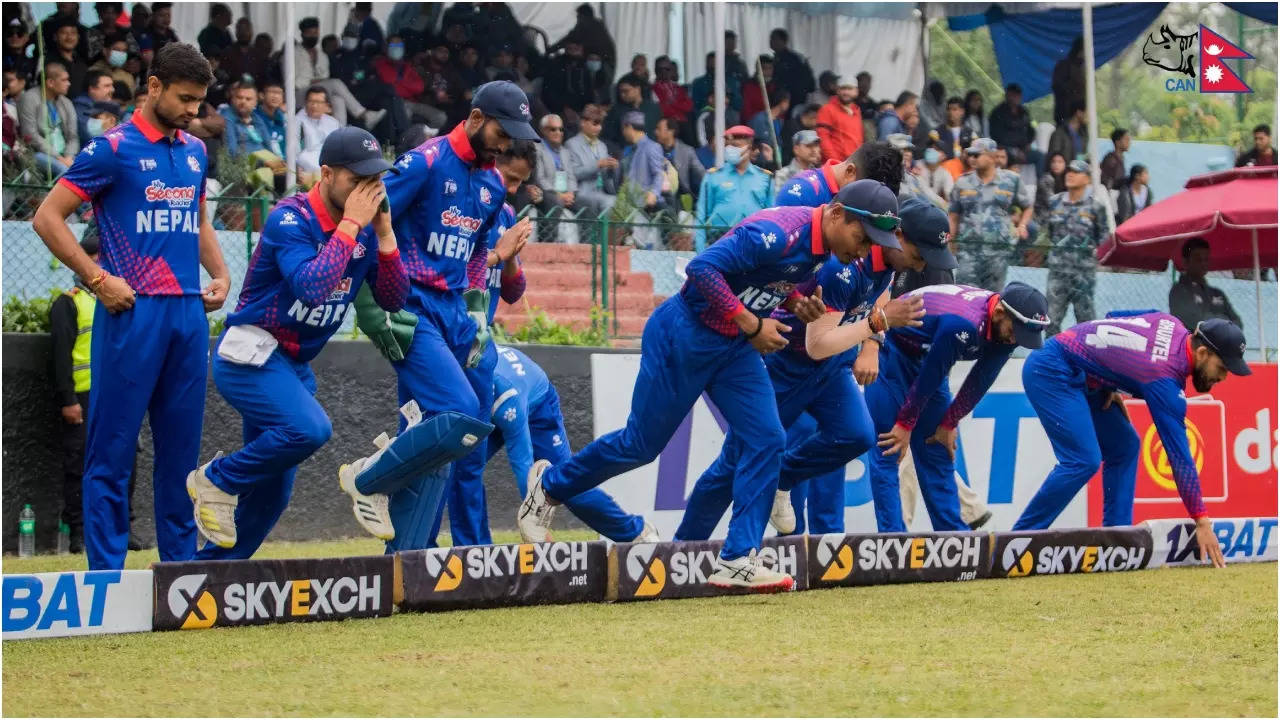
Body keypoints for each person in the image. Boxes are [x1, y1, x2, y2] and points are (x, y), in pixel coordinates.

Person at [519, 184, 893, 591]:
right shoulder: (777, 232)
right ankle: (550, 486)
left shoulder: (826, 250)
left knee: (768, 439)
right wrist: (751, 323)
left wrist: (798, 302)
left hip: (733, 349)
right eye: (862, 238)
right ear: (837, 214)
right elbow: (701, 270)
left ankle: (736, 558)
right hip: (686, 335)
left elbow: (769, 286)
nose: (864, 251)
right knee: (640, 446)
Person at [32, 42, 230, 570]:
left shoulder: (193, 150)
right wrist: (97, 279)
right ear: (154, 87)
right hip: (132, 314)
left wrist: (221, 273)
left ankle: (179, 572)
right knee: (111, 454)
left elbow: (199, 220)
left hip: (188, 318)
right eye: (186, 99)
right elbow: (48, 217)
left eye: (200, 101)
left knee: (180, 457)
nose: (194, 111)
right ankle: (107, 579)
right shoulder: (110, 149)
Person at [186, 128, 408, 557]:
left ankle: (210, 576)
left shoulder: (364, 229)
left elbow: (393, 299)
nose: (366, 192)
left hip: (292, 366)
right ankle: (216, 479)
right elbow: (312, 287)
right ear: (324, 174)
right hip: (249, 355)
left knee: (272, 495)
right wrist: (351, 226)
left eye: (373, 181)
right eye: (355, 180)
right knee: (309, 429)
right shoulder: (291, 218)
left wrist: (384, 236)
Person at [677, 193, 950, 541]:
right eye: (919, 255)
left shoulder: (886, 263)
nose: (922, 266)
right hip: (787, 365)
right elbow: (817, 345)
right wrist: (879, 323)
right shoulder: (843, 268)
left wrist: (871, 342)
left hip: (831, 368)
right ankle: (684, 548)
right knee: (733, 463)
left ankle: (783, 478)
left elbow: (869, 303)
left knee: (857, 435)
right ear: (897, 237)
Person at [351, 81, 538, 552]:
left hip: (456, 310)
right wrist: (371, 301)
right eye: (502, 130)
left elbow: (475, 252)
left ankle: (411, 555)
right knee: (453, 411)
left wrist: (476, 308)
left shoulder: (495, 184)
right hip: (412, 304)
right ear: (475, 118)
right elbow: (371, 219)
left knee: (458, 428)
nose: (506, 143)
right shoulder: (426, 162)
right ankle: (368, 479)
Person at [1012, 314, 1248, 570]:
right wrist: (1201, 521)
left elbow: (1113, 318)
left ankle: (1117, 544)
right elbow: (1179, 459)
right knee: (1083, 460)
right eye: (1223, 368)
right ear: (1202, 352)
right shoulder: (1164, 379)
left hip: (1087, 377)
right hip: (1052, 369)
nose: (1224, 377)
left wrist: (1110, 377)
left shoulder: (1171, 321)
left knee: (1124, 447)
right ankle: (1018, 541)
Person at [868, 282, 1049, 532]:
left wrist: (949, 422)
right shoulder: (963, 324)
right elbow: (932, 372)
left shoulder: (1008, 326)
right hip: (896, 354)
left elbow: (981, 378)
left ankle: (954, 541)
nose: (1015, 339)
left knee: (937, 447)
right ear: (998, 313)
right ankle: (891, 543)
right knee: (889, 447)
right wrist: (904, 423)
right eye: (1015, 332)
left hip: (931, 360)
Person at [435, 140, 536, 545]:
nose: (512, 188)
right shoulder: (461, 207)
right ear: (494, 164)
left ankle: (474, 548)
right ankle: (413, 544)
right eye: (510, 178)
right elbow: (446, 270)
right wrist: (497, 254)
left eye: (520, 183)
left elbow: (514, 292)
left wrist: (510, 256)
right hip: (444, 342)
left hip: (480, 346)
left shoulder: (505, 211)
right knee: (435, 449)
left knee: (470, 456)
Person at [487, 345, 658, 543]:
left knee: (567, 484)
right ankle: (473, 550)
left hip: (535, 404)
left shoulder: (507, 399)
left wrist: (536, 533)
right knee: (462, 469)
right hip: (497, 400)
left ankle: (636, 533)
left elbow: (523, 465)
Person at [49, 234, 147, 554]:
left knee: (126, 461)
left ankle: (123, 528)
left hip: (120, 393)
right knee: (79, 464)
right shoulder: (69, 302)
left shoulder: (124, 300)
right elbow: (60, 356)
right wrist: (68, 400)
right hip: (84, 397)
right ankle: (79, 533)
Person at [950, 138, 1033, 291]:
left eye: (977, 155)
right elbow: (954, 215)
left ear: (992, 156)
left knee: (992, 298)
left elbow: (1027, 206)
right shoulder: (962, 182)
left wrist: (1022, 225)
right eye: (970, 155)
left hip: (998, 252)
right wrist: (951, 242)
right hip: (968, 251)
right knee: (965, 294)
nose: (972, 159)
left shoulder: (1011, 180)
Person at [1044, 160, 1108, 336]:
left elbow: (1103, 238)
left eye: (1076, 172)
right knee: (1050, 319)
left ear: (1086, 179)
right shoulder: (1054, 202)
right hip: (1058, 271)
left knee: (1085, 321)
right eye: (1068, 171)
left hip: (1083, 274)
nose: (1069, 175)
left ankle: (1085, 359)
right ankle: (1053, 357)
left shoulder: (1096, 207)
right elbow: (1050, 232)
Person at [694, 125, 772, 251]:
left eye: (736, 146)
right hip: (719, 240)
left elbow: (771, 217)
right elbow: (701, 216)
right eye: (728, 146)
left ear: (749, 148)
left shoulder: (764, 178)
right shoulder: (712, 176)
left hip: (754, 241)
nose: (731, 150)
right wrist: (700, 251)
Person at [1168, 238, 1244, 331]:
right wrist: (1225, 320)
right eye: (1198, 259)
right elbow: (1199, 324)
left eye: (1206, 259)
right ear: (1185, 262)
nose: (1203, 263)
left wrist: (1213, 320)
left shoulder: (1217, 293)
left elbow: (1238, 323)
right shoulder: (1178, 292)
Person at [18, 63, 78, 179]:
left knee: (85, 169)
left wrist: (69, 157)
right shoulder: (30, 98)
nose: (68, 83)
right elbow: (31, 135)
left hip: (66, 156)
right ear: (50, 82)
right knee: (65, 172)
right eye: (64, 80)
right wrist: (59, 158)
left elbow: (73, 136)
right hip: (37, 153)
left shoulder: (66, 102)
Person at [564, 103, 617, 217]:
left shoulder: (602, 146)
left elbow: (607, 178)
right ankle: (605, 235)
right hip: (581, 194)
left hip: (602, 192)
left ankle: (614, 235)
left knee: (621, 202)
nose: (599, 128)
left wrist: (611, 168)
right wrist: (597, 164)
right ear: (583, 122)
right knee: (610, 202)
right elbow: (573, 173)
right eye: (595, 124)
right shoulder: (571, 144)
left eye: (600, 124)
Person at [618, 110, 665, 217]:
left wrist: (653, 193)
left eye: (623, 129)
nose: (623, 133)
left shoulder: (652, 147)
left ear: (629, 127)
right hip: (631, 208)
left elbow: (658, 174)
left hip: (650, 208)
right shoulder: (628, 151)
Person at [533, 113, 577, 226]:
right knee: (555, 201)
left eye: (561, 129)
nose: (558, 133)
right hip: (547, 193)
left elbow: (572, 177)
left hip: (566, 194)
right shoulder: (536, 149)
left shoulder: (565, 152)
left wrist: (571, 193)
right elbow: (540, 178)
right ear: (543, 131)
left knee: (588, 203)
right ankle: (551, 240)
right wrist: (559, 195)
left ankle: (589, 242)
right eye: (553, 129)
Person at [297, 86, 342, 181]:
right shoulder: (296, 121)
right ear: (305, 103)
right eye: (311, 101)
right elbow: (294, 151)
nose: (314, 106)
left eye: (319, 102)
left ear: (326, 105)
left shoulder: (333, 122)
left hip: (328, 160)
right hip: (306, 161)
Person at [541, 40, 593, 119]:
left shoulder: (585, 67)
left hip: (583, 112)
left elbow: (589, 93)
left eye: (577, 45)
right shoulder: (556, 65)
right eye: (571, 45)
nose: (574, 48)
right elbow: (549, 93)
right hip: (559, 111)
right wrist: (564, 108)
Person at [603, 74, 660, 146]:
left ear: (638, 89)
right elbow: (608, 136)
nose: (622, 95)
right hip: (624, 153)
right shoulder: (616, 110)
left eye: (626, 91)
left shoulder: (653, 108)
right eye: (620, 92)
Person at [655, 117, 704, 200]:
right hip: (658, 197)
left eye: (659, 129)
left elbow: (701, 173)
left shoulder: (687, 151)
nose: (655, 132)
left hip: (681, 198)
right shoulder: (653, 150)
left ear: (670, 132)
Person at [817, 78, 862, 163]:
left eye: (849, 89)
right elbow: (823, 138)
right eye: (843, 88)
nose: (846, 92)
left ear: (856, 91)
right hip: (836, 165)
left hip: (854, 164)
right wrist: (836, 162)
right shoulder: (827, 109)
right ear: (837, 90)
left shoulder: (857, 111)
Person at [988, 83, 1035, 163]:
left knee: (1040, 157)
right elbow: (997, 136)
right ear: (1007, 96)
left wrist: (1029, 143)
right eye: (1013, 95)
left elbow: (1030, 130)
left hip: (1024, 149)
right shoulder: (998, 113)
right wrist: (1015, 150)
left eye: (1018, 95)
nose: (1016, 98)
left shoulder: (1024, 111)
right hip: (1004, 149)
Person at [769, 28, 815, 103]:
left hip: (794, 100)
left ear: (784, 41)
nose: (771, 41)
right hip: (778, 101)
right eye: (771, 38)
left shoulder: (796, 59)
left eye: (774, 38)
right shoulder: (774, 60)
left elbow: (808, 82)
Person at [74, 70, 115, 145]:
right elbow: (87, 134)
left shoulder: (110, 105)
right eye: (107, 86)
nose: (112, 90)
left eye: (112, 85)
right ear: (92, 89)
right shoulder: (80, 106)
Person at [1051, 37, 1085, 124]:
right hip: (1066, 115)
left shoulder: (1084, 68)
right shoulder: (1064, 66)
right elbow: (1058, 87)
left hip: (1080, 116)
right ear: (1080, 50)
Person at [931, 96, 974, 160]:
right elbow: (931, 153)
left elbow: (975, 154)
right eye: (948, 109)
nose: (950, 112)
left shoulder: (970, 133)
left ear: (962, 111)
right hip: (944, 167)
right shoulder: (936, 132)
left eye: (954, 109)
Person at [652, 56, 692, 124]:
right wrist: (678, 105)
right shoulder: (652, 89)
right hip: (665, 123)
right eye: (660, 69)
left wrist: (672, 104)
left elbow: (689, 106)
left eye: (667, 69)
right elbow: (661, 109)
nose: (664, 72)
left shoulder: (677, 87)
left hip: (682, 122)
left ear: (671, 70)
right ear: (656, 71)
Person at [740, 55, 777, 123]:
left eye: (770, 68)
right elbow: (746, 112)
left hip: (774, 121)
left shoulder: (776, 86)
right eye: (764, 68)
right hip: (755, 122)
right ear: (757, 69)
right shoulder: (749, 86)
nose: (767, 72)